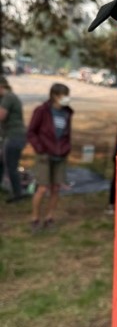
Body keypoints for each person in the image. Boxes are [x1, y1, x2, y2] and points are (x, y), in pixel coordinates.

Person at [27, 83, 73, 231]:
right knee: (42, 188)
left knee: (56, 188)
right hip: (45, 156)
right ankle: (35, 218)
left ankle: (49, 217)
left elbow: (67, 133)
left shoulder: (67, 113)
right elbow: (31, 132)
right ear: (54, 96)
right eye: (63, 95)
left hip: (60, 156)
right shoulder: (42, 111)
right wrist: (40, 148)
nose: (66, 98)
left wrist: (66, 148)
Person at [0, 75, 28, 203]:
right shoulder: (7, 97)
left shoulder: (8, 97)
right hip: (11, 136)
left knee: (11, 166)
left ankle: (18, 195)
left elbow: (1, 116)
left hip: (14, 136)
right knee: (1, 162)